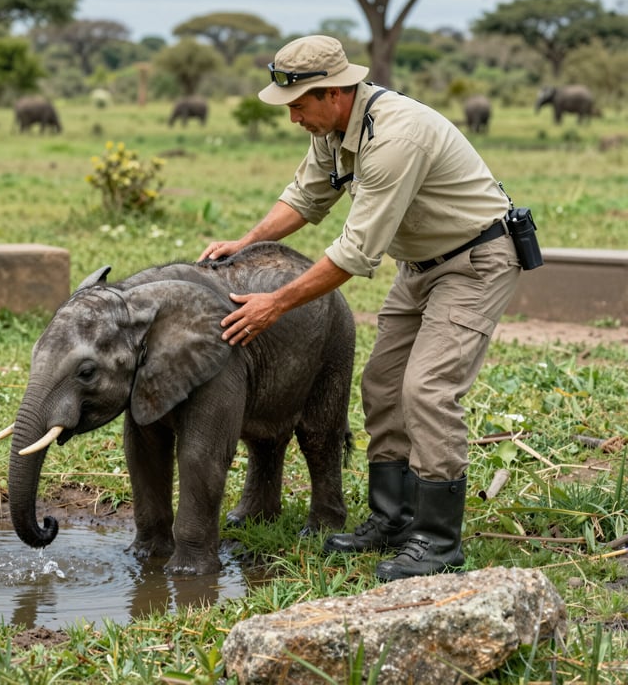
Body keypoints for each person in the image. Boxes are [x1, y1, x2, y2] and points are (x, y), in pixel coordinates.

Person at [198, 35, 521, 582]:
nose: (293, 117)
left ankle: (439, 542)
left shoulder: (396, 137)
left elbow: (353, 253)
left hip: (474, 262)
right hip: (419, 266)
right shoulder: (335, 129)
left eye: (298, 104)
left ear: (333, 92)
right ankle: (392, 521)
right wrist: (245, 242)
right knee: (382, 386)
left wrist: (274, 303)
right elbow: (304, 197)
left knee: (428, 390)